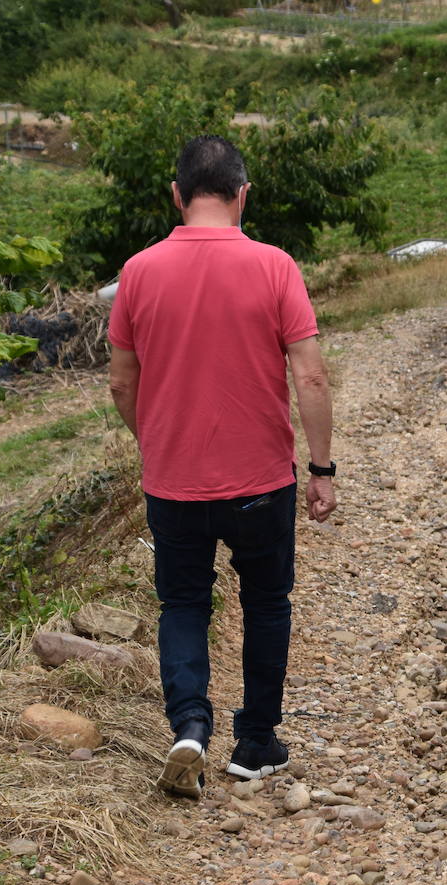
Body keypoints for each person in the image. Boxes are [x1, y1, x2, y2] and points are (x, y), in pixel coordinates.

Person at [108, 135, 337, 799]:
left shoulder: (139, 271)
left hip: (172, 479)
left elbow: (122, 384)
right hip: (261, 481)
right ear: (243, 195)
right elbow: (312, 375)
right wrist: (321, 468)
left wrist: (154, 439)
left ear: (177, 196)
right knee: (267, 602)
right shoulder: (274, 266)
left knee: (182, 601)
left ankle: (188, 727)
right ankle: (257, 743)